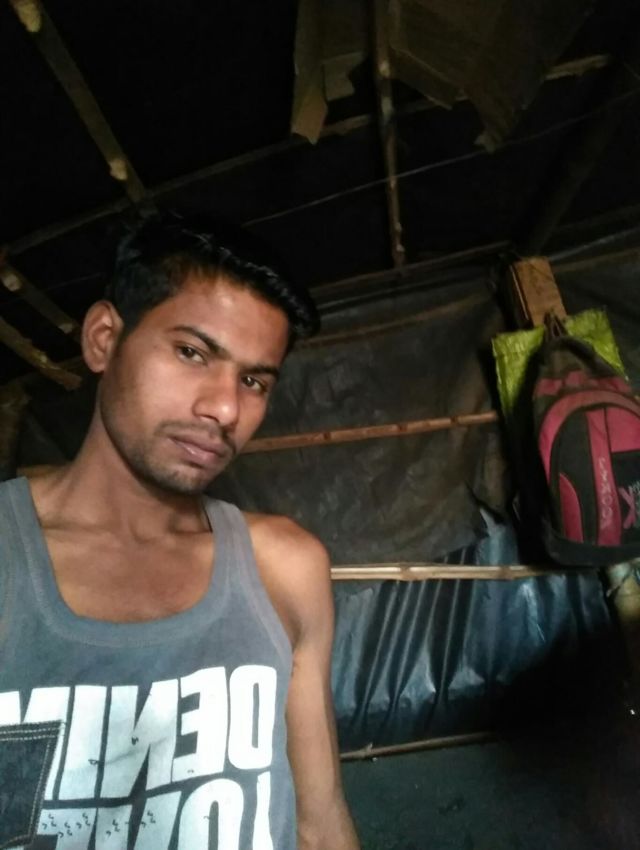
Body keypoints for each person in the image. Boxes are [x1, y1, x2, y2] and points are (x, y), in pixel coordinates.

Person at [0, 215, 360, 850]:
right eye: (192, 352)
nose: (224, 408)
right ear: (104, 339)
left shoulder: (285, 567)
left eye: (253, 381)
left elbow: (319, 823)